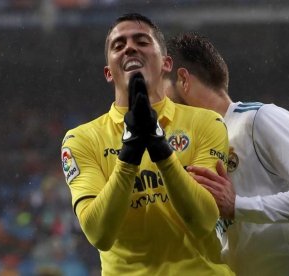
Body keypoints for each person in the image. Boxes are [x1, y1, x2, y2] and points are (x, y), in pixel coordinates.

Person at [60, 14, 233, 275]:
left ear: (166, 63)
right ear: (108, 72)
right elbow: (99, 234)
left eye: (142, 41)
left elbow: (204, 220)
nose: (129, 47)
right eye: (118, 45)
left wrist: (160, 148)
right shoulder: (82, 139)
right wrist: (129, 153)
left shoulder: (206, 123)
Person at [165, 32, 289, 276]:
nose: (157, 103)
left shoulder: (258, 119)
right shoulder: (195, 153)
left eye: (158, 88)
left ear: (183, 80)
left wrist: (239, 206)